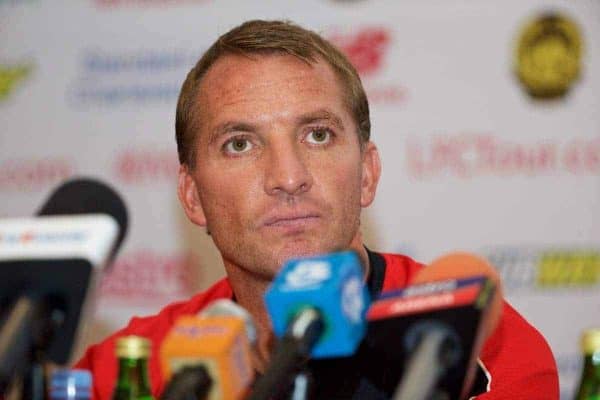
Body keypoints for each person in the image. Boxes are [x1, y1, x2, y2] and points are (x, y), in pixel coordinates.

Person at [76, 19, 559, 399]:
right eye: (240, 144)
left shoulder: (471, 345)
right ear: (192, 196)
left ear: (367, 174)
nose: (288, 177)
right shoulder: (129, 371)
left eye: (318, 135)